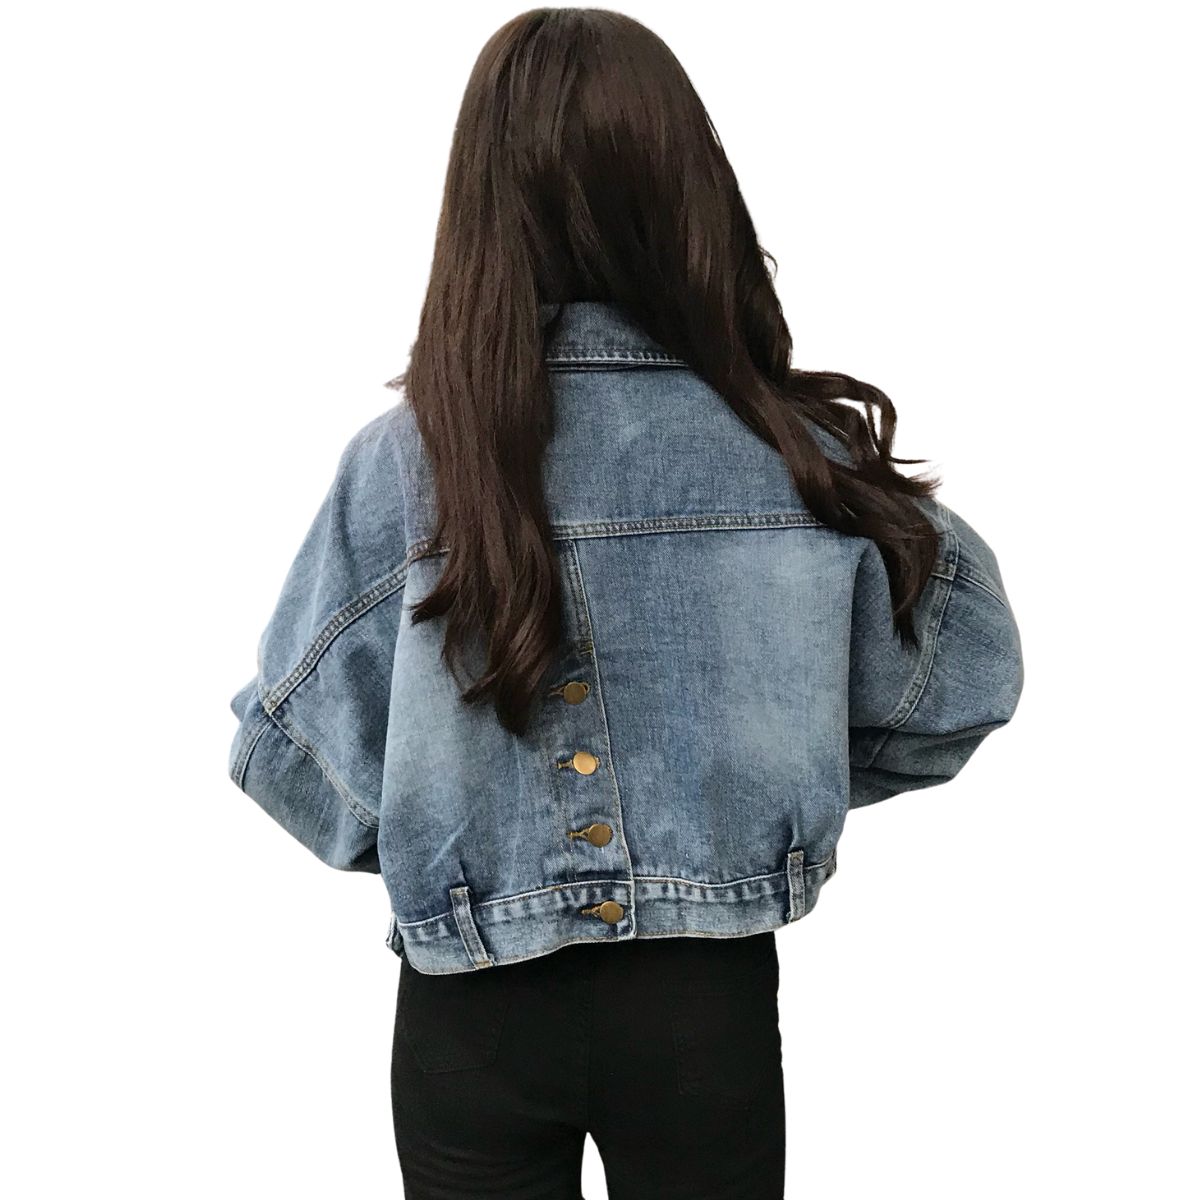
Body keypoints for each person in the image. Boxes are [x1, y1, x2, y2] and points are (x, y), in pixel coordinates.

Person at [227, 8, 1023, 1198]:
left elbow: (286, 757)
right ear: (688, 189)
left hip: (470, 1016)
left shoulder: (406, 464)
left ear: (480, 206)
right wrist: (766, 778)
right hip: (704, 1013)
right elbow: (963, 681)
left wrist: (446, 833)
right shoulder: (793, 453)